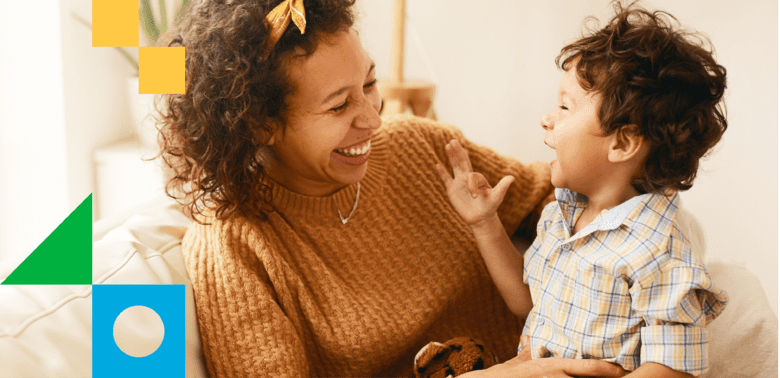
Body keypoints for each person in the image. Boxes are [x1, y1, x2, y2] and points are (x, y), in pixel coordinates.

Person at [156, 0, 629, 377]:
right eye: (340, 107)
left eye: (370, 82)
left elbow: (555, 193)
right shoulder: (232, 247)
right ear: (262, 124)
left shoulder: (418, 146)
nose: (374, 118)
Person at [436, 3, 728, 377]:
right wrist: (485, 224)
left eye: (564, 106)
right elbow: (528, 304)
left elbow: (674, 366)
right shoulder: (560, 214)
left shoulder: (659, 248)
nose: (547, 117)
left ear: (622, 144)